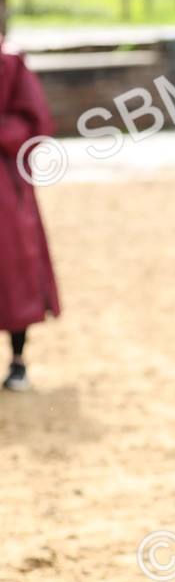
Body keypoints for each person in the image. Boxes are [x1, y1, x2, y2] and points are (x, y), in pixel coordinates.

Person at [0, 34, 61, 391]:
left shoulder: (9, 62)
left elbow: (34, 124)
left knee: (12, 270)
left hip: (5, 189)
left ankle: (18, 360)